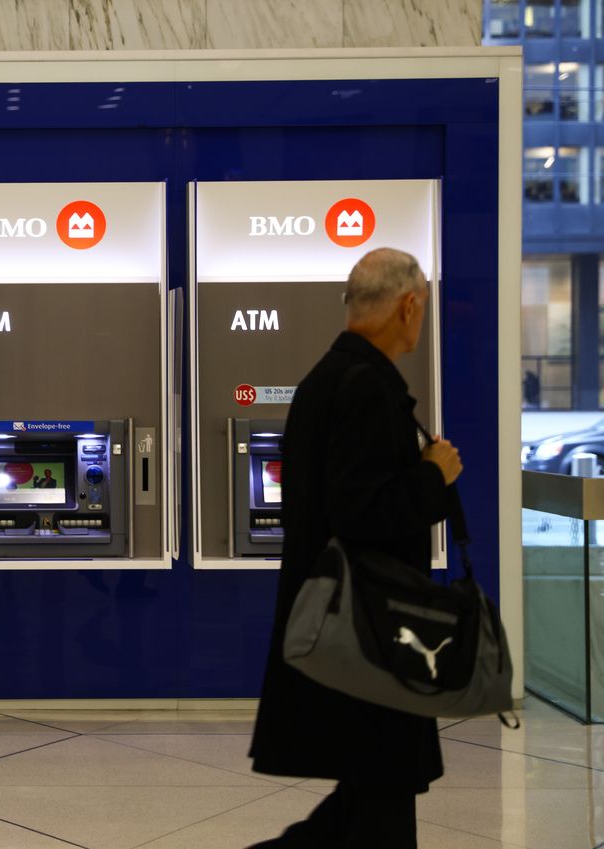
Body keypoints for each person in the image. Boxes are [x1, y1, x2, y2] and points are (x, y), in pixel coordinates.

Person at [247, 248, 463, 849]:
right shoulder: (366, 386)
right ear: (409, 306)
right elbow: (362, 511)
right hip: (372, 634)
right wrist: (432, 476)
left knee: (369, 797)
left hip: (349, 628)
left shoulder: (331, 378)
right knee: (381, 795)